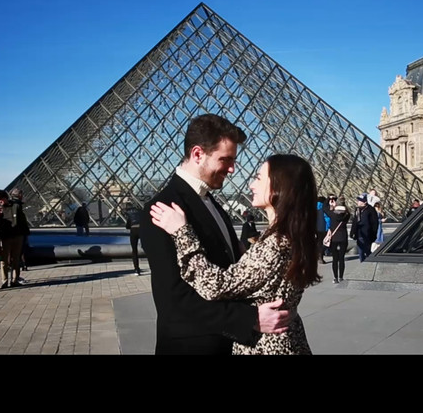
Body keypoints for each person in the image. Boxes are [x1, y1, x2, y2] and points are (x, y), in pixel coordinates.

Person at [138, 113, 292, 355]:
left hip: (226, 343)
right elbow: (174, 300)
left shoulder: (212, 202)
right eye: (226, 159)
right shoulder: (161, 209)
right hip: (192, 346)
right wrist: (249, 318)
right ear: (198, 154)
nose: (232, 169)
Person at [150, 153, 320, 355]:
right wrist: (246, 254)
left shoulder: (275, 244)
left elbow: (214, 285)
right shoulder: (290, 237)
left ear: (278, 188)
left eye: (258, 178)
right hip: (288, 339)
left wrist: (182, 232)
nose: (251, 185)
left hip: (265, 346)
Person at [0, 188, 30, 288]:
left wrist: (24, 234)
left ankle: (14, 280)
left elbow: (22, 221)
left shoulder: (16, 206)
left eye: (0, 199)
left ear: (5, 197)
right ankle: (4, 281)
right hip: (5, 237)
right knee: (4, 260)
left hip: (17, 236)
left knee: (16, 259)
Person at [325, 195, 350, 283]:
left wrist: (329, 199)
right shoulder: (347, 215)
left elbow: (325, 208)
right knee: (341, 258)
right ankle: (341, 277)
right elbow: (347, 210)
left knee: (335, 259)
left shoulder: (332, 214)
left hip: (334, 238)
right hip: (343, 238)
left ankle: (335, 278)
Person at [350, 192, 379, 262]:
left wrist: (373, 234)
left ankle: (368, 263)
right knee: (361, 251)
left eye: (359, 201)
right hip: (359, 233)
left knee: (367, 250)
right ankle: (362, 262)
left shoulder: (371, 210)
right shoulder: (357, 209)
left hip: (368, 234)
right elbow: (355, 221)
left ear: (364, 202)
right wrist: (352, 232)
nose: (358, 202)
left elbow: (375, 223)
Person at [125, 206, 143, 275]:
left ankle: (136, 269)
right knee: (146, 249)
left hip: (133, 230)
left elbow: (127, 226)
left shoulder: (130, 215)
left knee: (134, 250)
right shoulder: (142, 213)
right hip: (141, 230)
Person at [316, 196, 329, 264]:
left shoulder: (314, 206)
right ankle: (320, 256)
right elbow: (327, 218)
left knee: (318, 241)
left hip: (315, 227)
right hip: (323, 227)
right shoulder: (324, 207)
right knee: (324, 242)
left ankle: (318, 256)